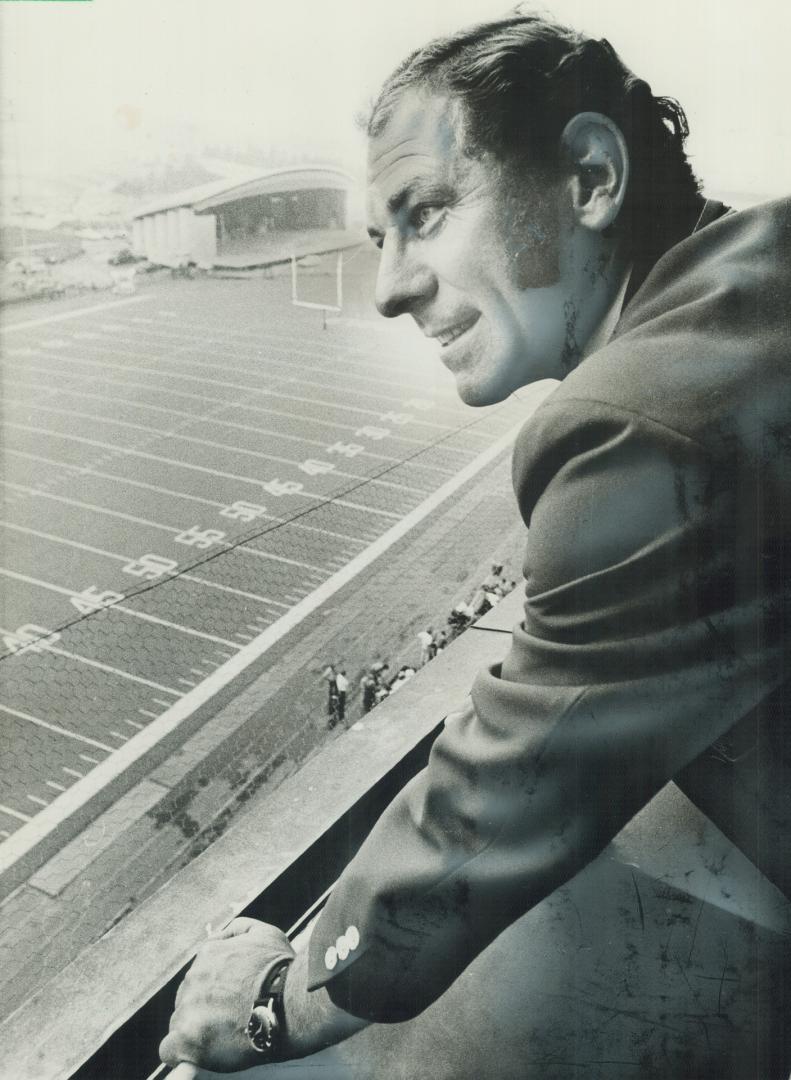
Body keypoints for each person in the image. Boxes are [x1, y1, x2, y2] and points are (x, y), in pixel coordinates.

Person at [161, 10, 791, 1074]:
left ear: (590, 176)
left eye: (428, 212)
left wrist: (272, 1003)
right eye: (380, 237)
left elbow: (484, 823)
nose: (389, 285)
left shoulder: (630, 426)